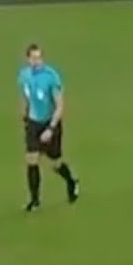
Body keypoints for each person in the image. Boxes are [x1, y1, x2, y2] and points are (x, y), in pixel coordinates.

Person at [19, 44, 80, 212]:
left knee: (55, 162)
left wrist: (51, 129)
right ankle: (34, 200)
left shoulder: (51, 76)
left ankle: (71, 180)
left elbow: (60, 105)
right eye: (33, 58)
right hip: (33, 123)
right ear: (28, 59)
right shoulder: (24, 75)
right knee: (32, 159)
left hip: (50, 122)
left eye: (39, 58)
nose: (37, 61)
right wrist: (25, 115)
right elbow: (26, 96)